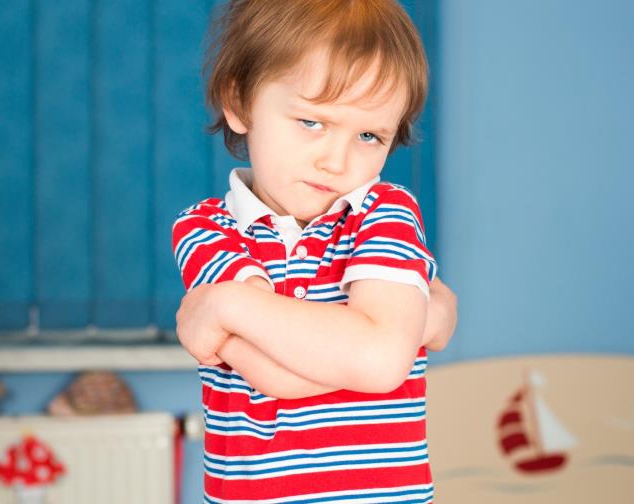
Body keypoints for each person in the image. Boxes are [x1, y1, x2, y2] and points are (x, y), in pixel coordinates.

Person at [171, 1, 459, 502]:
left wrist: (226, 306)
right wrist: (402, 331)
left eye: (369, 135)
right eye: (312, 122)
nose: (335, 161)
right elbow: (273, 372)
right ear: (239, 102)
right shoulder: (203, 230)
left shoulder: (386, 212)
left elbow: (379, 361)